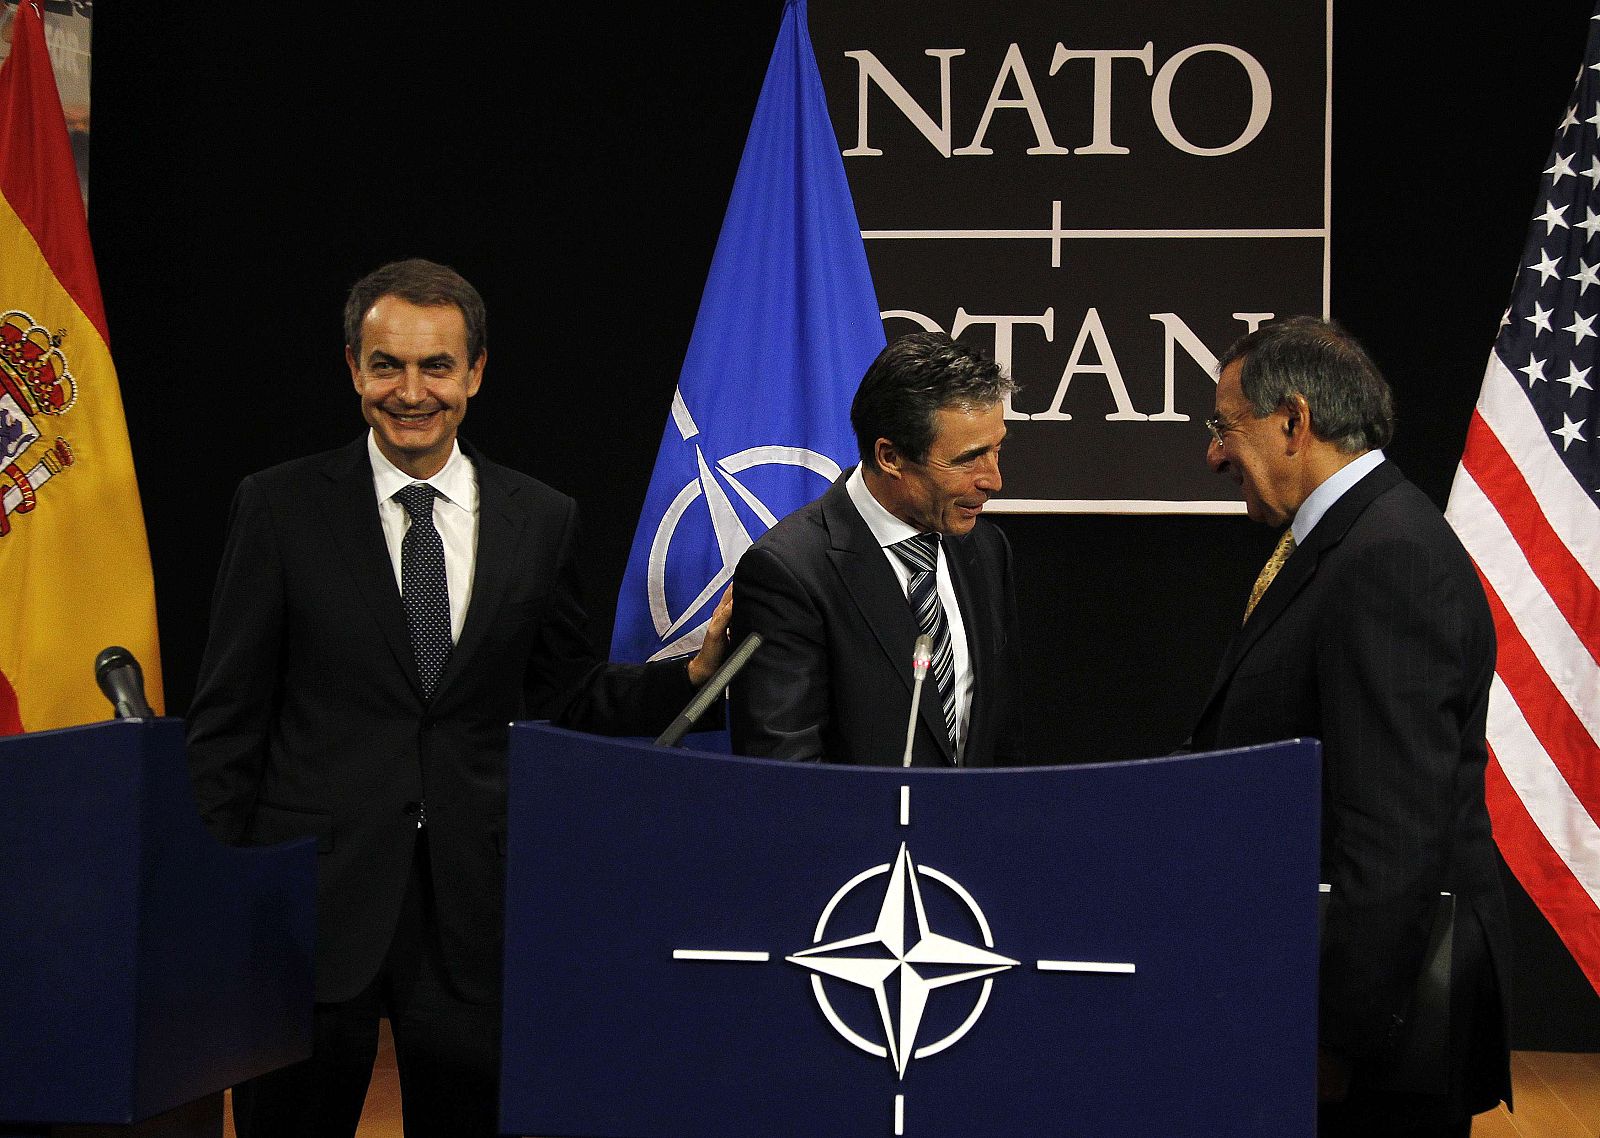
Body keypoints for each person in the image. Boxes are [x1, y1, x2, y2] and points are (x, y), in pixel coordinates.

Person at [185, 258, 730, 1137]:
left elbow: (568, 692)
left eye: (435, 366)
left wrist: (695, 677)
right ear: (354, 370)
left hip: (472, 913)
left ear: (474, 373)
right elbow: (227, 719)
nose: (411, 391)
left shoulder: (541, 517)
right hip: (308, 913)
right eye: (386, 365)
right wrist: (228, 896)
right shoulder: (280, 507)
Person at [1187, 316, 1511, 1135]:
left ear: (1294, 422)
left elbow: (1395, 830)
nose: (1215, 455)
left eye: (1225, 427)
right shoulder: (1347, 539)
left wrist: (1338, 1038)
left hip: (1367, 1047)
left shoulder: (1388, 558)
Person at [729, 330, 1024, 766]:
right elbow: (786, 772)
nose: (993, 480)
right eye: (968, 458)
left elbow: (999, 732)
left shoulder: (985, 548)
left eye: (997, 450)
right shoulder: (791, 572)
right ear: (890, 456)